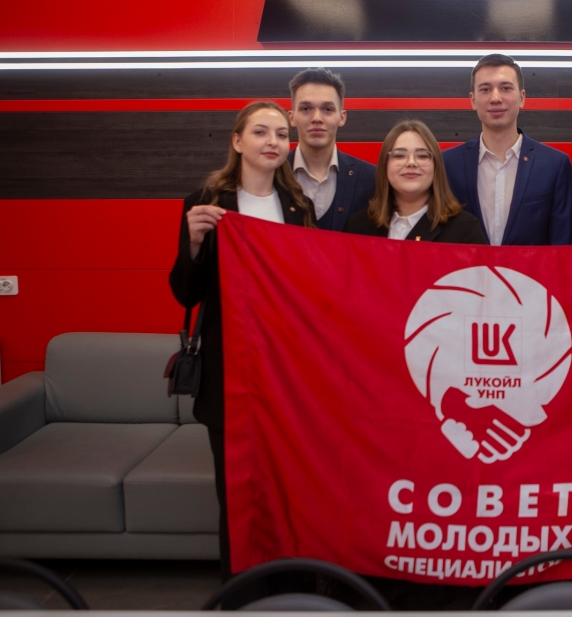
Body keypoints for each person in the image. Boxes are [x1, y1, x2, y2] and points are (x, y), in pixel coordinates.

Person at [168, 101, 316, 587]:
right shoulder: (206, 201)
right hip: (229, 374)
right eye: (260, 132)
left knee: (289, 493)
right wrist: (193, 244)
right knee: (236, 497)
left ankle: (293, 593)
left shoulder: (298, 206)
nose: (273, 141)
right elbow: (185, 293)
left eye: (281, 134)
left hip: (286, 375)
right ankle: (241, 597)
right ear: (237, 141)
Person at [443, 54, 572, 245]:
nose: (496, 98)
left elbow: (561, 245)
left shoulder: (554, 165)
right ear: (473, 100)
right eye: (485, 89)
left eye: (505, 88)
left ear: (522, 97)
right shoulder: (448, 164)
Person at [345, 120, 487, 243]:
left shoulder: (465, 229)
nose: (411, 163)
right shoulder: (357, 226)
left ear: (436, 166)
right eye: (400, 155)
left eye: (422, 156)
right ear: (385, 165)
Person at [286, 67, 375, 229]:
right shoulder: (271, 174)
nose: (317, 118)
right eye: (306, 109)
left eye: (327, 109)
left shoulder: (371, 179)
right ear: (292, 118)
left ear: (342, 117)